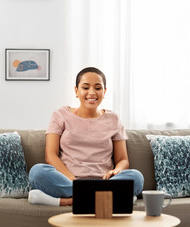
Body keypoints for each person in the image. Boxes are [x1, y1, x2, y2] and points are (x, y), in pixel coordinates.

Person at [28, 67, 144, 206]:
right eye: (85, 87)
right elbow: (51, 156)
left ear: (104, 91)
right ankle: (111, 198)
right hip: (68, 180)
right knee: (37, 172)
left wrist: (116, 170)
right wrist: (73, 181)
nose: (92, 92)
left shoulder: (113, 119)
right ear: (76, 91)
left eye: (98, 88)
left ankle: (67, 201)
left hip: (105, 182)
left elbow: (122, 159)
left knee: (137, 177)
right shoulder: (60, 115)